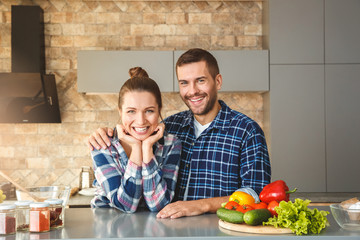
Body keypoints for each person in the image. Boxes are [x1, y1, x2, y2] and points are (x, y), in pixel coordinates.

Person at [88, 49, 271, 218]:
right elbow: (137, 127)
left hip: (221, 231)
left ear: (218, 81)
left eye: (200, 80)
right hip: (171, 232)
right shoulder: (170, 127)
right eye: (184, 83)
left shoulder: (247, 131)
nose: (192, 91)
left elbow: (257, 195)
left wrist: (201, 205)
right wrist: (105, 133)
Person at [90, 67, 182, 213]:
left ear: (159, 110)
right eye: (131, 111)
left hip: (156, 231)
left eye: (149, 111)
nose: (140, 121)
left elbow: (158, 205)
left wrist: (146, 149)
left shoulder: (171, 144)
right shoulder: (103, 145)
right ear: (120, 111)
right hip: (108, 227)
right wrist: (136, 149)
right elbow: (125, 205)